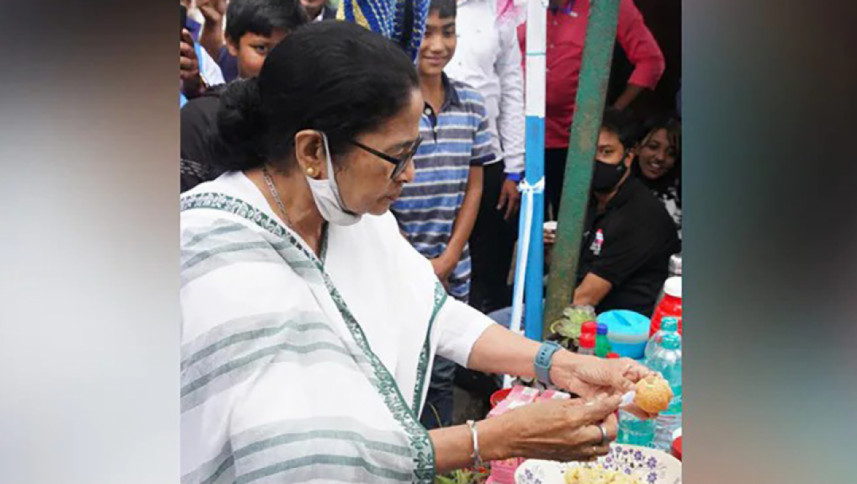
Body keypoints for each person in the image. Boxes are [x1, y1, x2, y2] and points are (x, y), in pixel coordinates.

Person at [181, 22, 654, 483]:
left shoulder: (354, 218)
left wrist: (559, 365)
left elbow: (433, 313)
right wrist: (496, 439)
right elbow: (298, 458)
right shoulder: (210, 255)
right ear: (311, 150)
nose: (408, 175)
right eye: (397, 156)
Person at [388, 0, 494, 430]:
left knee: (441, 374)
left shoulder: (470, 103)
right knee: (395, 373)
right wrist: (415, 266)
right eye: (426, 33)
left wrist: (449, 258)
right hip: (393, 267)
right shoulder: (389, 105)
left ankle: (439, 464)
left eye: (447, 32)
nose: (437, 44)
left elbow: (475, 186)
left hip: (452, 270)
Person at [517, 0, 665, 218]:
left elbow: (651, 62)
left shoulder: (609, 5)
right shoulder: (516, 5)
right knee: (519, 222)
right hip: (517, 138)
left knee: (570, 222)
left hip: (576, 143)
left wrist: (611, 114)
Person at [545, 108, 679, 317]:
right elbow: (567, 273)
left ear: (628, 156)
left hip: (614, 329)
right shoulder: (589, 199)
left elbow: (584, 299)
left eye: (606, 152)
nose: (595, 161)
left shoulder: (638, 217)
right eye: (588, 151)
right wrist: (550, 248)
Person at [444, 0, 525, 314]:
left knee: (487, 259)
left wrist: (514, 169)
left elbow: (511, 87)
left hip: (489, 157)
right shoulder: (416, 6)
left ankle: (481, 348)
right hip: (435, 154)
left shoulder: (498, 9)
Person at [180, 0, 308, 193]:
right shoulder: (200, 119)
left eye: (285, 49)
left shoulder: (310, 115)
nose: (274, 62)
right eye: (261, 49)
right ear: (231, 43)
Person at [633, 114, 682, 239]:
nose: (660, 157)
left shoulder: (682, 195)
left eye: (671, 153)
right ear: (637, 148)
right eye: (653, 147)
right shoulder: (616, 188)